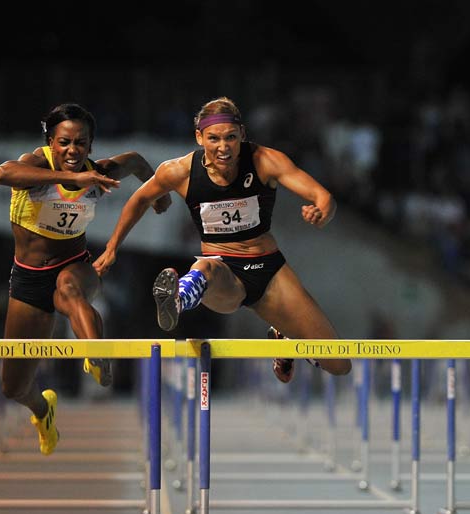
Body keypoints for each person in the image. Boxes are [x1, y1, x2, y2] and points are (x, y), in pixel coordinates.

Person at [93, 96, 352, 382]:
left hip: (270, 271)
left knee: (339, 364)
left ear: (242, 134)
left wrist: (321, 212)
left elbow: (324, 197)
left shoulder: (265, 161)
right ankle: (178, 296)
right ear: (199, 137)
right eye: (214, 139)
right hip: (224, 272)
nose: (223, 147)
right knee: (205, 269)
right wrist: (112, 246)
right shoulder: (179, 170)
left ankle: (283, 339)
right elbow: (139, 199)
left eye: (230, 138)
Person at [0, 103, 171, 455]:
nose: (72, 151)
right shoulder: (34, 163)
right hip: (28, 279)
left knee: (69, 290)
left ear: (90, 146)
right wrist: (73, 179)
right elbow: (2, 173)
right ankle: (43, 412)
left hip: (74, 264)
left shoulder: (99, 170)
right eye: (64, 142)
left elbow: (136, 160)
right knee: (13, 388)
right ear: (50, 141)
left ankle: (96, 354)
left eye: (80, 143)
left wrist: (158, 195)